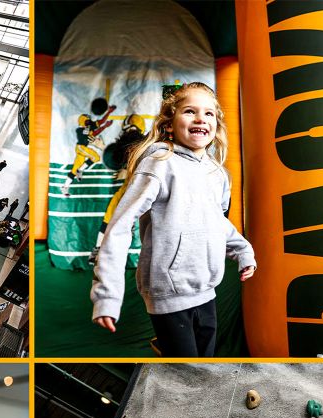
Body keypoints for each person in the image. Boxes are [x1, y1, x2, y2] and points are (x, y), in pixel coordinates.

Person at [91, 82, 257, 358]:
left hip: (206, 288)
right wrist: (107, 295)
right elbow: (119, 227)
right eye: (190, 111)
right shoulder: (159, 163)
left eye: (209, 114)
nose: (200, 118)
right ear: (169, 124)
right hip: (168, 291)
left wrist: (243, 250)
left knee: (206, 360)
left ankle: (165, 350)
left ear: (216, 125)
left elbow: (216, 222)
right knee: (187, 369)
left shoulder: (217, 174)